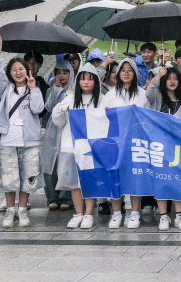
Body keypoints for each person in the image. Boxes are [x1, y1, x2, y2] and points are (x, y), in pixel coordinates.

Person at [0, 56, 45, 228]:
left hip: (29, 142)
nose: (18, 72)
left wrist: (33, 88)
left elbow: (38, 109)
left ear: (27, 71)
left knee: (27, 177)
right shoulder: (6, 89)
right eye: (14, 69)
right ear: (10, 73)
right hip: (8, 140)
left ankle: (22, 210)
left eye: (21, 69)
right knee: (9, 179)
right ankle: (10, 210)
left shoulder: (33, 89)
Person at [53, 62, 102, 229]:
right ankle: (78, 214)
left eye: (90, 79)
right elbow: (58, 121)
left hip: (91, 149)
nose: (86, 82)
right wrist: (61, 109)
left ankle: (88, 214)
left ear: (96, 81)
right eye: (83, 79)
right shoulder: (71, 98)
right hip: (70, 147)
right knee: (74, 183)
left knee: (89, 182)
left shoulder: (101, 100)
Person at [104, 58, 149, 227]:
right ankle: (116, 213)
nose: (126, 73)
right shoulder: (110, 94)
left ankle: (135, 212)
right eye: (123, 70)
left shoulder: (142, 93)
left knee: (135, 176)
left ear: (135, 73)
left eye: (130, 70)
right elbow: (101, 116)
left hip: (135, 142)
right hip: (115, 142)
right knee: (115, 176)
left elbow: (148, 116)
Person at [144, 66, 181, 230]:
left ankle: (179, 216)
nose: (172, 81)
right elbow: (148, 94)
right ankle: (164, 216)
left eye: (175, 78)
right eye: (169, 78)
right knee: (161, 180)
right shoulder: (158, 97)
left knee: (178, 181)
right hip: (159, 146)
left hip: (177, 148)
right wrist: (157, 77)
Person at [41, 62, 73, 211]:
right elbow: (49, 107)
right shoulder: (51, 89)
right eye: (58, 72)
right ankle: (52, 197)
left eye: (65, 72)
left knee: (66, 162)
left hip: (68, 129)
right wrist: (56, 90)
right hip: (53, 130)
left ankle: (66, 197)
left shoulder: (74, 90)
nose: (61, 76)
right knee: (50, 164)